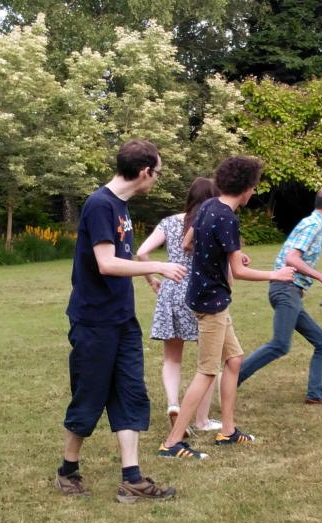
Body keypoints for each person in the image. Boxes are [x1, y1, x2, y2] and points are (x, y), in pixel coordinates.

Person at [55, 139, 186, 502]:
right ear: (144, 171)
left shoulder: (121, 207)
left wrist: (145, 275)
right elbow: (106, 263)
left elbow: (122, 257)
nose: (155, 180)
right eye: (156, 173)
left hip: (122, 319)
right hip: (94, 321)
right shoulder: (100, 205)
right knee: (90, 395)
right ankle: (68, 469)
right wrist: (157, 264)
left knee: (130, 393)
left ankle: (132, 478)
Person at [158, 156, 295, 460]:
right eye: (254, 187)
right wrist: (277, 274)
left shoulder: (208, 206)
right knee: (207, 371)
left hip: (203, 296)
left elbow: (187, 242)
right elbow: (241, 272)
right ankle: (172, 443)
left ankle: (228, 431)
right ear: (247, 189)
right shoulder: (228, 217)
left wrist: (224, 253)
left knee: (234, 360)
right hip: (212, 303)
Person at [238, 186, 322, 405]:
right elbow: (291, 258)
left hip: (290, 291)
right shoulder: (313, 225)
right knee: (280, 344)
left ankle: (315, 395)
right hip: (285, 289)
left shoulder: (314, 224)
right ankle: (231, 378)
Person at [136, 177, 221, 434]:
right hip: (200, 292)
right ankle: (202, 420)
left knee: (172, 358)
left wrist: (152, 280)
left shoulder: (169, 222)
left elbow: (141, 252)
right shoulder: (210, 222)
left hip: (171, 289)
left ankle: (174, 404)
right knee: (208, 362)